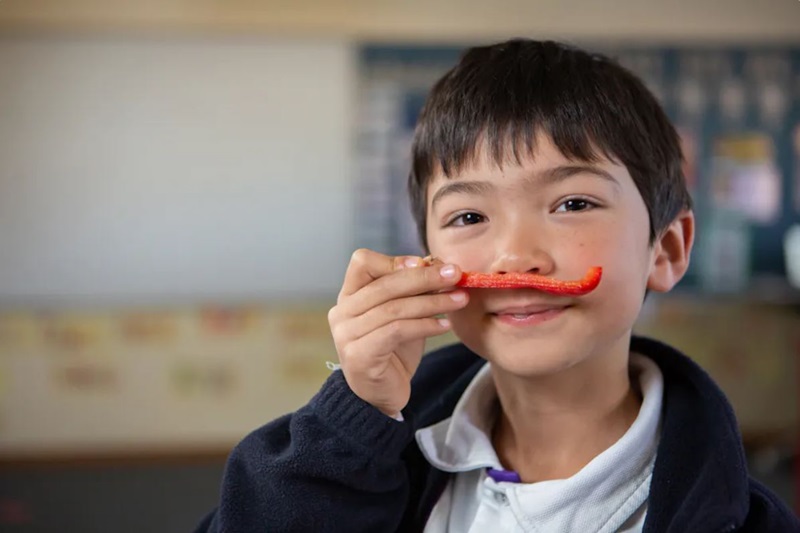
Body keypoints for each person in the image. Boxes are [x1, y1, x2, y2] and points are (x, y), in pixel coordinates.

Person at [195, 39, 799, 532]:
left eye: (572, 202)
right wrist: (356, 413)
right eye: (468, 217)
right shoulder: (369, 458)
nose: (517, 256)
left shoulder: (744, 523)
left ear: (665, 250)